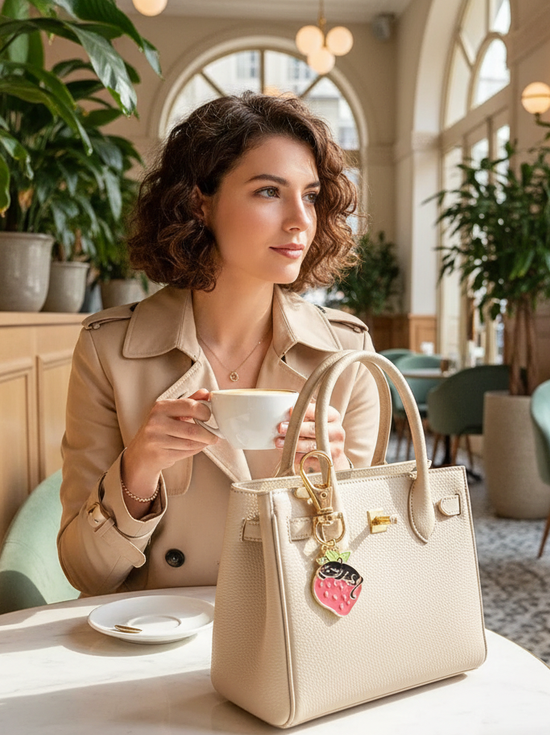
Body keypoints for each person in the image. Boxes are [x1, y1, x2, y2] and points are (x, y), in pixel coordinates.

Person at [58, 92, 380, 597]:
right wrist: (139, 469)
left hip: (291, 636)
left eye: (311, 195)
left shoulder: (346, 356)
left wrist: (335, 476)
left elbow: (367, 565)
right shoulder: (109, 350)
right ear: (198, 203)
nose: (300, 219)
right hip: (154, 640)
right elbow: (86, 573)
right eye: (269, 191)